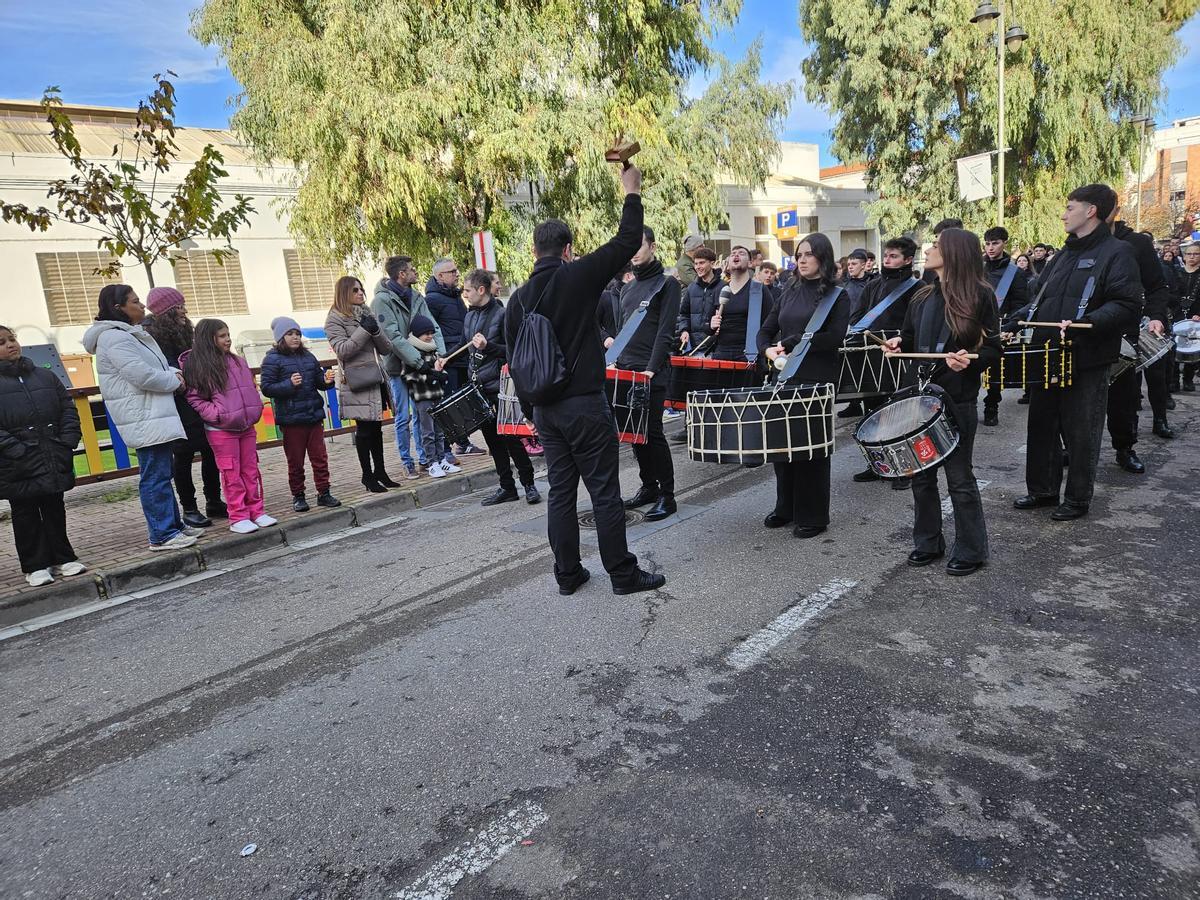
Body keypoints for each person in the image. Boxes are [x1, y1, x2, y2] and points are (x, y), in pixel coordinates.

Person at [502, 161, 664, 597]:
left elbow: (515, 362)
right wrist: (631, 189)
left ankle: (568, 575)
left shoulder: (516, 301)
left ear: (535, 251)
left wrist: (535, 413)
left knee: (560, 493)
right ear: (568, 249)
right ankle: (623, 575)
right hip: (585, 404)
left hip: (547, 411)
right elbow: (628, 241)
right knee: (605, 493)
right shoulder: (577, 277)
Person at [1013, 184, 1141, 521]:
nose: (1063, 213)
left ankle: (1077, 498)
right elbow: (1041, 300)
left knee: (1081, 429)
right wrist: (1014, 320)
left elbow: (1128, 304)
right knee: (1041, 424)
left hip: (1087, 356)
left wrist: (1089, 322)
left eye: (1070, 207)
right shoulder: (1064, 255)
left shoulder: (1118, 252)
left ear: (1091, 210)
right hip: (1047, 352)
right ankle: (1042, 490)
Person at [883, 229, 1001, 576]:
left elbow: (994, 347)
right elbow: (908, 337)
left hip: (957, 397)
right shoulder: (921, 296)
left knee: (959, 478)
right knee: (920, 475)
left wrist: (971, 359)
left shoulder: (980, 295)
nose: (929, 249)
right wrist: (896, 344)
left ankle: (972, 548)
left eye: (935, 245)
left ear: (952, 252)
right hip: (918, 398)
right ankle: (928, 541)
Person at [82, 285, 197, 552]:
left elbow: (156, 365)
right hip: (142, 414)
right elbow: (142, 375)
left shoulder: (133, 333)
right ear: (118, 308)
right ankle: (161, 533)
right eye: (134, 302)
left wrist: (172, 372)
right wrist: (174, 379)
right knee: (154, 475)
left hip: (154, 412)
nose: (141, 306)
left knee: (162, 471)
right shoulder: (114, 338)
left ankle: (174, 526)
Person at [759, 234, 850, 539]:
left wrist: (793, 342)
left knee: (812, 451)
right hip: (785, 378)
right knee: (782, 448)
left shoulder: (837, 296)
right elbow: (766, 329)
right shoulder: (788, 291)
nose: (802, 258)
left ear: (823, 258)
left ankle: (813, 515)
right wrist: (766, 349)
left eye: (809, 254)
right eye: (799, 254)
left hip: (817, 378)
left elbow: (834, 338)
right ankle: (786, 507)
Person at [0, 325, 85, 586]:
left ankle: (63, 556)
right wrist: (16, 450)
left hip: (51, 453)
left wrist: (67, 441)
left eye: (11, 339)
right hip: (16, 461)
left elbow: (67, 408)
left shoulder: (44, 376)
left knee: (54, 506)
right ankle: (35, 565)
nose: (10, 344)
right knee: (25, 511)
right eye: (1, 342)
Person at [610, 226, 681, 522]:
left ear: (652, 246)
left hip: (652, 372)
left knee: (652, 433)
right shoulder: (626, 288)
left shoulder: (667, 284)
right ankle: (648, 486)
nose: (634, 250)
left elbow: (665, 333)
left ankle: (668, 495)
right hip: (626, 371)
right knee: (634, 436)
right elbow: (621, 331)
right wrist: (614, 362)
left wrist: (651, 369)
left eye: (639, 244)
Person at [183, 319, 276, 535]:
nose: (228, 339)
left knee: (251, 470)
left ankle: (256, 510)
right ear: (210, 339)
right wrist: (215, 414)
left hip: (245, 425)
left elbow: (249, 387)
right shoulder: (199, 366)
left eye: (228, 335)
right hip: (222, 430)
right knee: (231, 474)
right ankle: (238, 515)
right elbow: (194, 397)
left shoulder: (237, 361)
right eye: (222, 336)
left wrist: (253, 408)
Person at [143, 287, 226, 527]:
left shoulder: (184, 331)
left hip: (199, 397)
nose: (184, 310)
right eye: (179, 306)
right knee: (184, 454)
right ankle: (189, 507)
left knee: (211, 449)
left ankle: (213, 500)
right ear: (167, 310)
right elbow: (163, 367)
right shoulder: (153, 335)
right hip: (176, 403)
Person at [846, 236, 923, 487]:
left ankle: (905, 469)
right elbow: (858, 317)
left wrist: (898, 337)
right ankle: (877, 463)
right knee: (873, 414)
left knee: (900, 415)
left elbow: (915, 324)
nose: (887, 259)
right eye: (886, 255)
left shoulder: (917, 288)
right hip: (872, 357)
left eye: (893, 256)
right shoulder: (872, 286)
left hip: (900, 357)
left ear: (908, 259)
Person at [462, 268, 540, 505]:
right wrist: (444, 358)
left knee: (511, 438)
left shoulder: (503, 314)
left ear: (481, 290)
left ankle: (529, 484)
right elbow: (463, 345)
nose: (464, 294)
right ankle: (507, 486)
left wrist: (488, 347)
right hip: (479, 386)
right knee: (493, 441)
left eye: (467, 290)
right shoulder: (469, 316)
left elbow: (512, 350)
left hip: (500, 385)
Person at [1104, 209, 1173, 469]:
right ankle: (1071, 448)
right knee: (1077, 399)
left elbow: (1157, 286)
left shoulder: (1136, 243)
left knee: (1123, 398)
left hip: (1124, 331)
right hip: (1085, 332)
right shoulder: (1079, 243)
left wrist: (1156, 316)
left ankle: (1125, 448)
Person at [325, 276, 401, 490]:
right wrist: (364, 330)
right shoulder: (335, 319)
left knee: (376, 429)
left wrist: (375, 330)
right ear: (344, 293)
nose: (361, 293)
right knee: (365, 430)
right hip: (357, 381)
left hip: (375, 379)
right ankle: (367, 477)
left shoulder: (366, 313)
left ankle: (381, 472)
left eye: (362, 289)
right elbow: (342, 350)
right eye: (355, 290)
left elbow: (386, 349)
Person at [260, 316, 342, 512]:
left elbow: (318, 383)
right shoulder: (272, 359)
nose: (295, 337)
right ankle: (298, 495)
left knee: (320, 457)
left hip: (313, 415)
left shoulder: (308, 357)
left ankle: (324, 492)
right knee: (295, 461)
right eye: (290, 334)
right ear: (280, 337)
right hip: (291, 419)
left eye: (297, 333)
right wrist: (289, 384)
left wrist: (327, 380)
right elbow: (267, 388)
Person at [373, 256, 443, 476]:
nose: (416, 272)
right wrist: (418, 360)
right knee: (403, 416)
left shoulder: (416, 296)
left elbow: (433, 327)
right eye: (412, 270)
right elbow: (392, 335)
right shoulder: (382, 301)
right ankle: (407, 461)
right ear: (401, 274)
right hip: (398, 365)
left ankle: (425, 458)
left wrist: (440, 355)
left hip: (421, 364)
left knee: (423, 413)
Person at [425, 257, 482, 458]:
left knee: (464, 402)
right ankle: (448, 448)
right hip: (449, 358)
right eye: (452, 271)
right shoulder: (432, 300)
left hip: (462, 357)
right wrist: (442, 355)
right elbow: (430, 330)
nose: (457, 274)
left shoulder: (455, 296)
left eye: (457, 270)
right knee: (449, 404)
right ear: (440, 276)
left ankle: (463, 442)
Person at [980, 226, 1030, 426]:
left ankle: (992, 406)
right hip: (974, 326)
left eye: (995, 243)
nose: (991, 248)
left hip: (1000, 326)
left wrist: (1010, 328)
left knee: (995, 371)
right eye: (988, 243)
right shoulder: (977, 268)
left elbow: (1021, 305)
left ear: (1004, 243)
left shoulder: (1015, 273)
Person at [401, 315, 460, 479]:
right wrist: (432, 377)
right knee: (428, 432)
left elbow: (439, 369)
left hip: (437, 395)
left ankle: (442, 459)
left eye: (431, 332)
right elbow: (408, 377)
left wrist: (443, 374)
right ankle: (431, 462)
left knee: (440, 430)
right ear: (417, 334)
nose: (429, 336)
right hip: (423, 397)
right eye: (425, 333)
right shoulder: (412, 354)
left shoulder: (433, 350)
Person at [709, 246, 778, 361]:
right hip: (721, 354)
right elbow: (707, 327)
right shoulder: (720, 290)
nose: (736, 255)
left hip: (750, 355)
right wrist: (711, 325)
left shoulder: (759, 290)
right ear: (728, 262)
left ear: (750, 263)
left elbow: (771, 324)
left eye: (741, 253)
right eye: (733, 254)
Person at [676, 247, 721, 354]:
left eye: (701, 263)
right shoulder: (691, 288)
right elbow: (684, 314)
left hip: (714, 348)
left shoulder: (723, 287)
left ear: (712, 263)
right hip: (693, 347)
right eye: (696, 264)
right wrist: (684, 330)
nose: (697, 267)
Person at [1179, 244, 1200, 391]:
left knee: (1192, 348)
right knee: (1175, 347)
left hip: (1195, 316)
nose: (1192, 256)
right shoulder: (1176, 273)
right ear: (1184, 256)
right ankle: (1173, 379)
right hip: (1177, 314)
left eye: (1196, 254)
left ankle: (1188, 379)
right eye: (1189, 254)